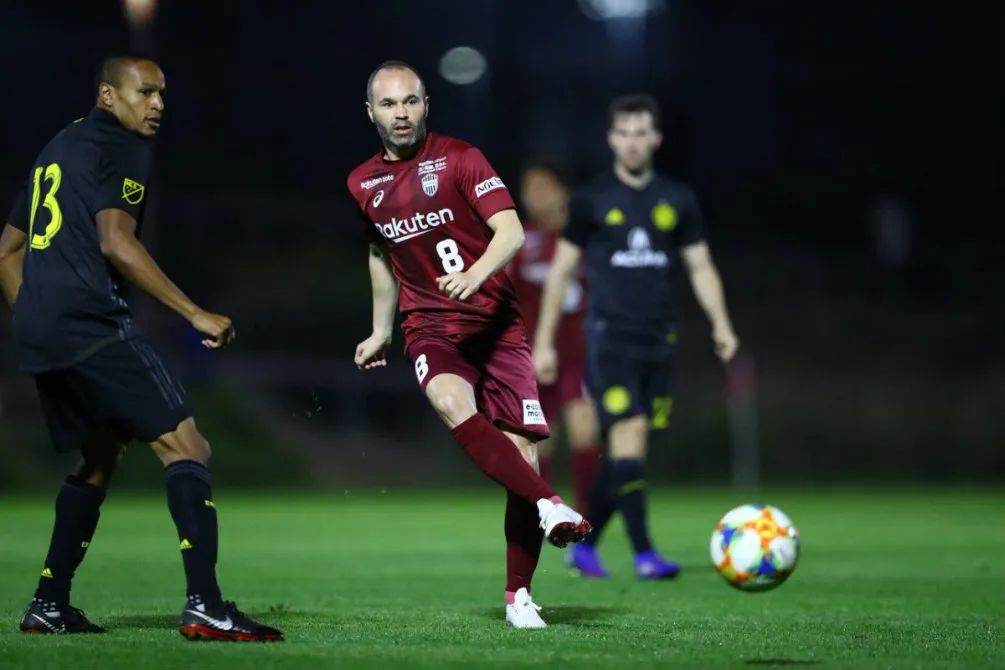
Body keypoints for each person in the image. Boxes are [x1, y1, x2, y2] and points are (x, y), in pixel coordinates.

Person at [0, 55, 282, 641]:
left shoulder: (59, 145)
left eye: (162, 93)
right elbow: (117, 242)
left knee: (99, 456)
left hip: (40, 330)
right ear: (108, 95)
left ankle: (48, 604)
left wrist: (33, 317)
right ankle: (205, 605)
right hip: (90, 322)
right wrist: (194, 312)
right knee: (188, 445)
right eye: (144, 92)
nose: (157, 104)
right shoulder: (124, 146)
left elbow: (7, 251)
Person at [348, 60, 590, 628]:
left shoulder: (461, 158)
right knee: (450, 400)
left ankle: (518, 596)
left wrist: (476, 275)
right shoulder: (361, 183)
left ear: (426, 105)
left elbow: (511, 231)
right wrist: (381, 329)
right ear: (371, 112)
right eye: (389, 104)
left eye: (410, 101)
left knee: (525, 455)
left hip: (498, 325)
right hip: (430, 325)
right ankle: (550, 504)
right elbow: (380, 254)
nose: (401, 113)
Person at [533, 94, 740, 579]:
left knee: (630, 451)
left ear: (655, 138)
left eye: (640, 133)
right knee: (629, 435)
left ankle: (585, 548)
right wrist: (543, 341)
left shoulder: (678, 199)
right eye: (623, 133)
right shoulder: (591, 200)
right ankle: (645, 554)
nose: (631, 142)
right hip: (609, 338)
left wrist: (722, 324)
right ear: (611, 139)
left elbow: (700, 266)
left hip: (658, 341)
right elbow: (560, 272)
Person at [508, 160, 602, 516]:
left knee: (584, 430)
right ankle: (545, 515)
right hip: (531, 354)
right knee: (537, 441)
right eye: (529, 189)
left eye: (543, 188)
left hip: (580, 351)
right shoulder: (520, 239)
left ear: (563, 191)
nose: (535, 196)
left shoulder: (586, 238)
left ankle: (588, 519)